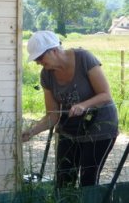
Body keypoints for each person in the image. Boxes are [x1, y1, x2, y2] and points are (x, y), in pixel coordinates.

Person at [22, 30, 118, 188]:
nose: (38, 62)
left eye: (40, 57)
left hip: (100, 126)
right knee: (63, 178)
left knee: (88, 179)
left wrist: (83, 105)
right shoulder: (46, 75)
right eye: (36, 59)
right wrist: (31, 132)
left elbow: (106, 95)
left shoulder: (84, 58)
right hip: (71, 126)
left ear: (53, 50)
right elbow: (53, 116)